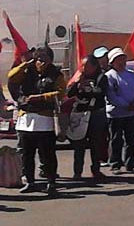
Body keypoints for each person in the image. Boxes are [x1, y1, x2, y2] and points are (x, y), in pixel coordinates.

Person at [8, 46, 66, 194]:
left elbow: (60, 93)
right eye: (38, 58)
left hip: (44, 119)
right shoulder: (27, 70)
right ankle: (30, 182)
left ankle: (51, 181)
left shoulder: (56, 74)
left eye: (44, 58)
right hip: (26, 118)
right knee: (27, 154)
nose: (41, 62)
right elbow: (11, 77)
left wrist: (41, 97)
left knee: (47, 154)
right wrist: (25, 64)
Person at [66, 55, 107, 181]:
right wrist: (78, 84)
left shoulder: (101, 77)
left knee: (96, 144)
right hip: (80, 113)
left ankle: (96, 170)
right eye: (82, 65)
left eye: (86, 65)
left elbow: (101, 93)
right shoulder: (79, 77)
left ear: (94, 66)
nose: (83, 68)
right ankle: (77, 172)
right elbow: (69, 93)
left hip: (95, 114)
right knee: (79, 144)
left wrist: (87, 89)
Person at [105, 47, 134, 174]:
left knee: (131, 139)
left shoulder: (131, 75)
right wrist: (125, 105)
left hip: (131, 113)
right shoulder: (109, 76)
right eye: (118, 60)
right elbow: (111, 95)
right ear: (112, 62)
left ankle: (131, 163)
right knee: (116, 139)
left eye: (123, 59)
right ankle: (115, 163)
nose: (121, 62)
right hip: (115, 114)